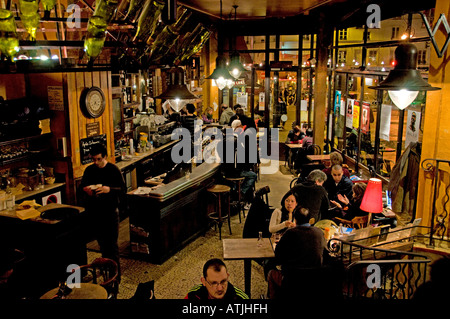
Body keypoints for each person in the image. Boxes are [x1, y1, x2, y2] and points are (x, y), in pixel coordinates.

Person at [80, 143, 126, 281]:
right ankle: (105, 269)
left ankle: (115, 277)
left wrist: (109, 190)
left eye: (99, 159)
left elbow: (123, 190)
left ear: (105, 156)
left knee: (112, 246)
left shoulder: (113, 170)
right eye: (94, 159)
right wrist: (85, 190)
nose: (96, 162)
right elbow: (81, 187)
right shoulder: (89, 170)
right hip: (94, 212)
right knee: (102, 245)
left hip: (110, 212)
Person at [267, 205, 326, 299]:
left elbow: (278, 256)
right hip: (314, 279)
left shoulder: (289, 233)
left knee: (271, 273)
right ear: (310, 219)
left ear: (295, 219)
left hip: (292, 279)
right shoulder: (319, 232)